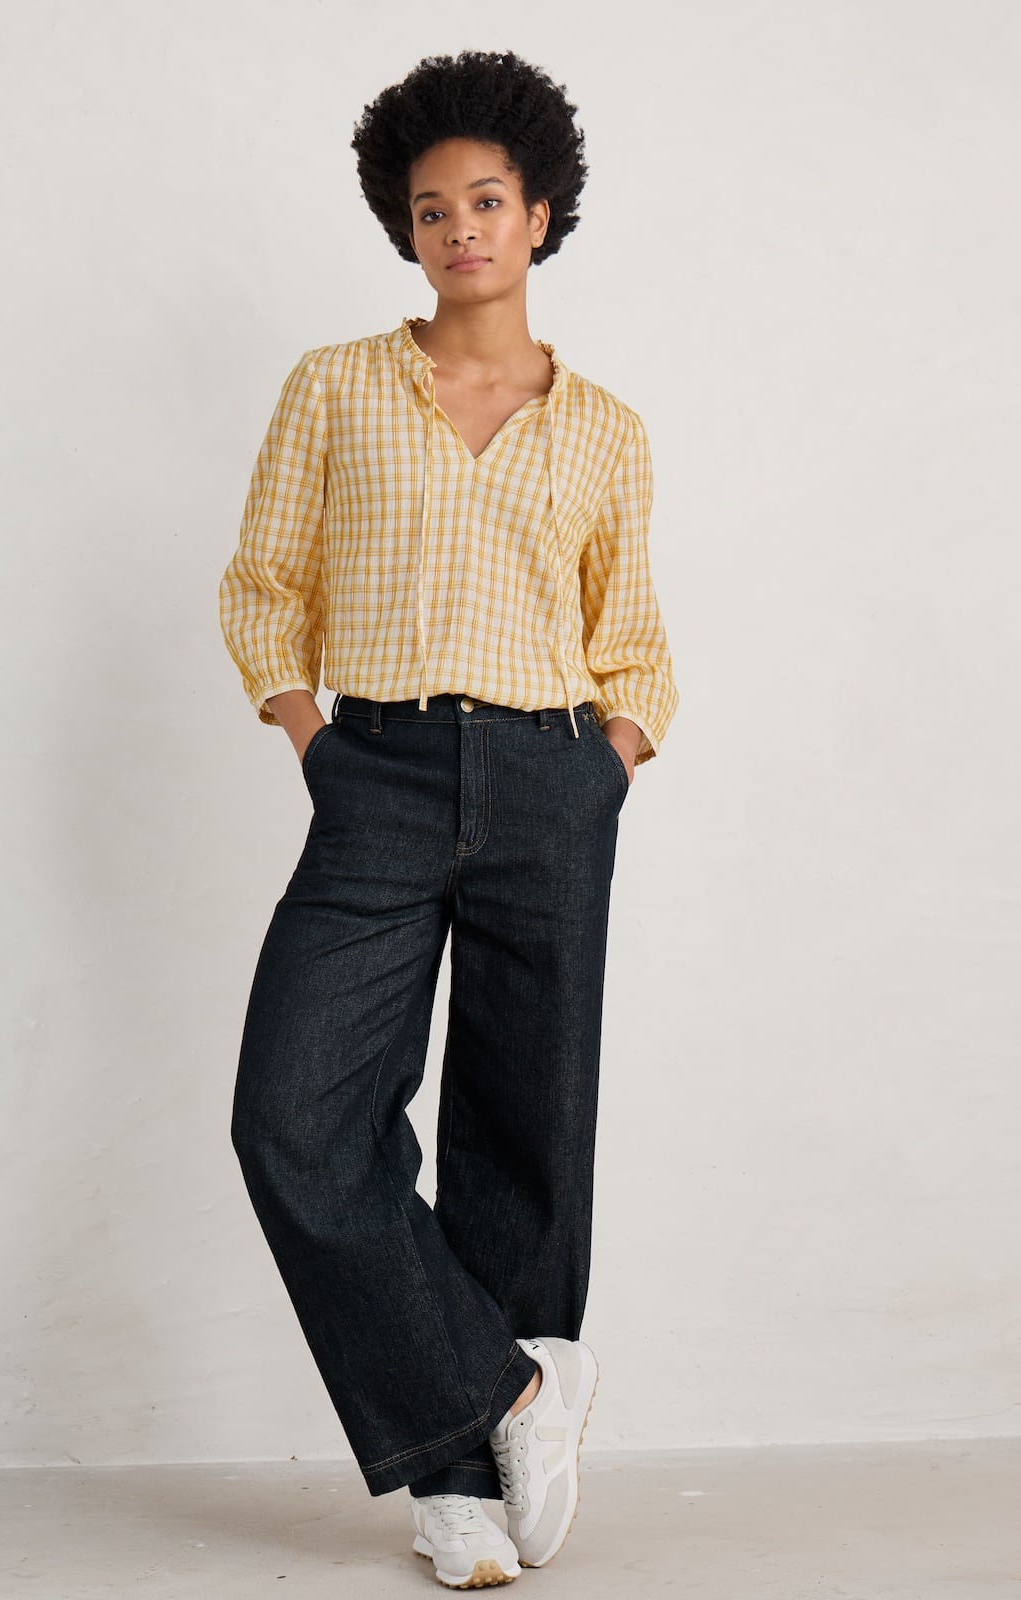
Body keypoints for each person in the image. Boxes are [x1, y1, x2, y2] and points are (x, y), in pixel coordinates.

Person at [218, 48, 679, 1589]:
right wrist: (318, 743)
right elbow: (263, 587)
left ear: (539, 215)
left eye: (487, 200)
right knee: (296, 1116)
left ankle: (458, 1485)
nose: (461, 227)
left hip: (553, 773)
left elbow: (636, 641)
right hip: (382, 769)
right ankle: (509, 1394)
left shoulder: (604, 427)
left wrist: (609, 758)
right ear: (404, 230)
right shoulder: (337, 386)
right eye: (432, 209)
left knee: (521, 1124)